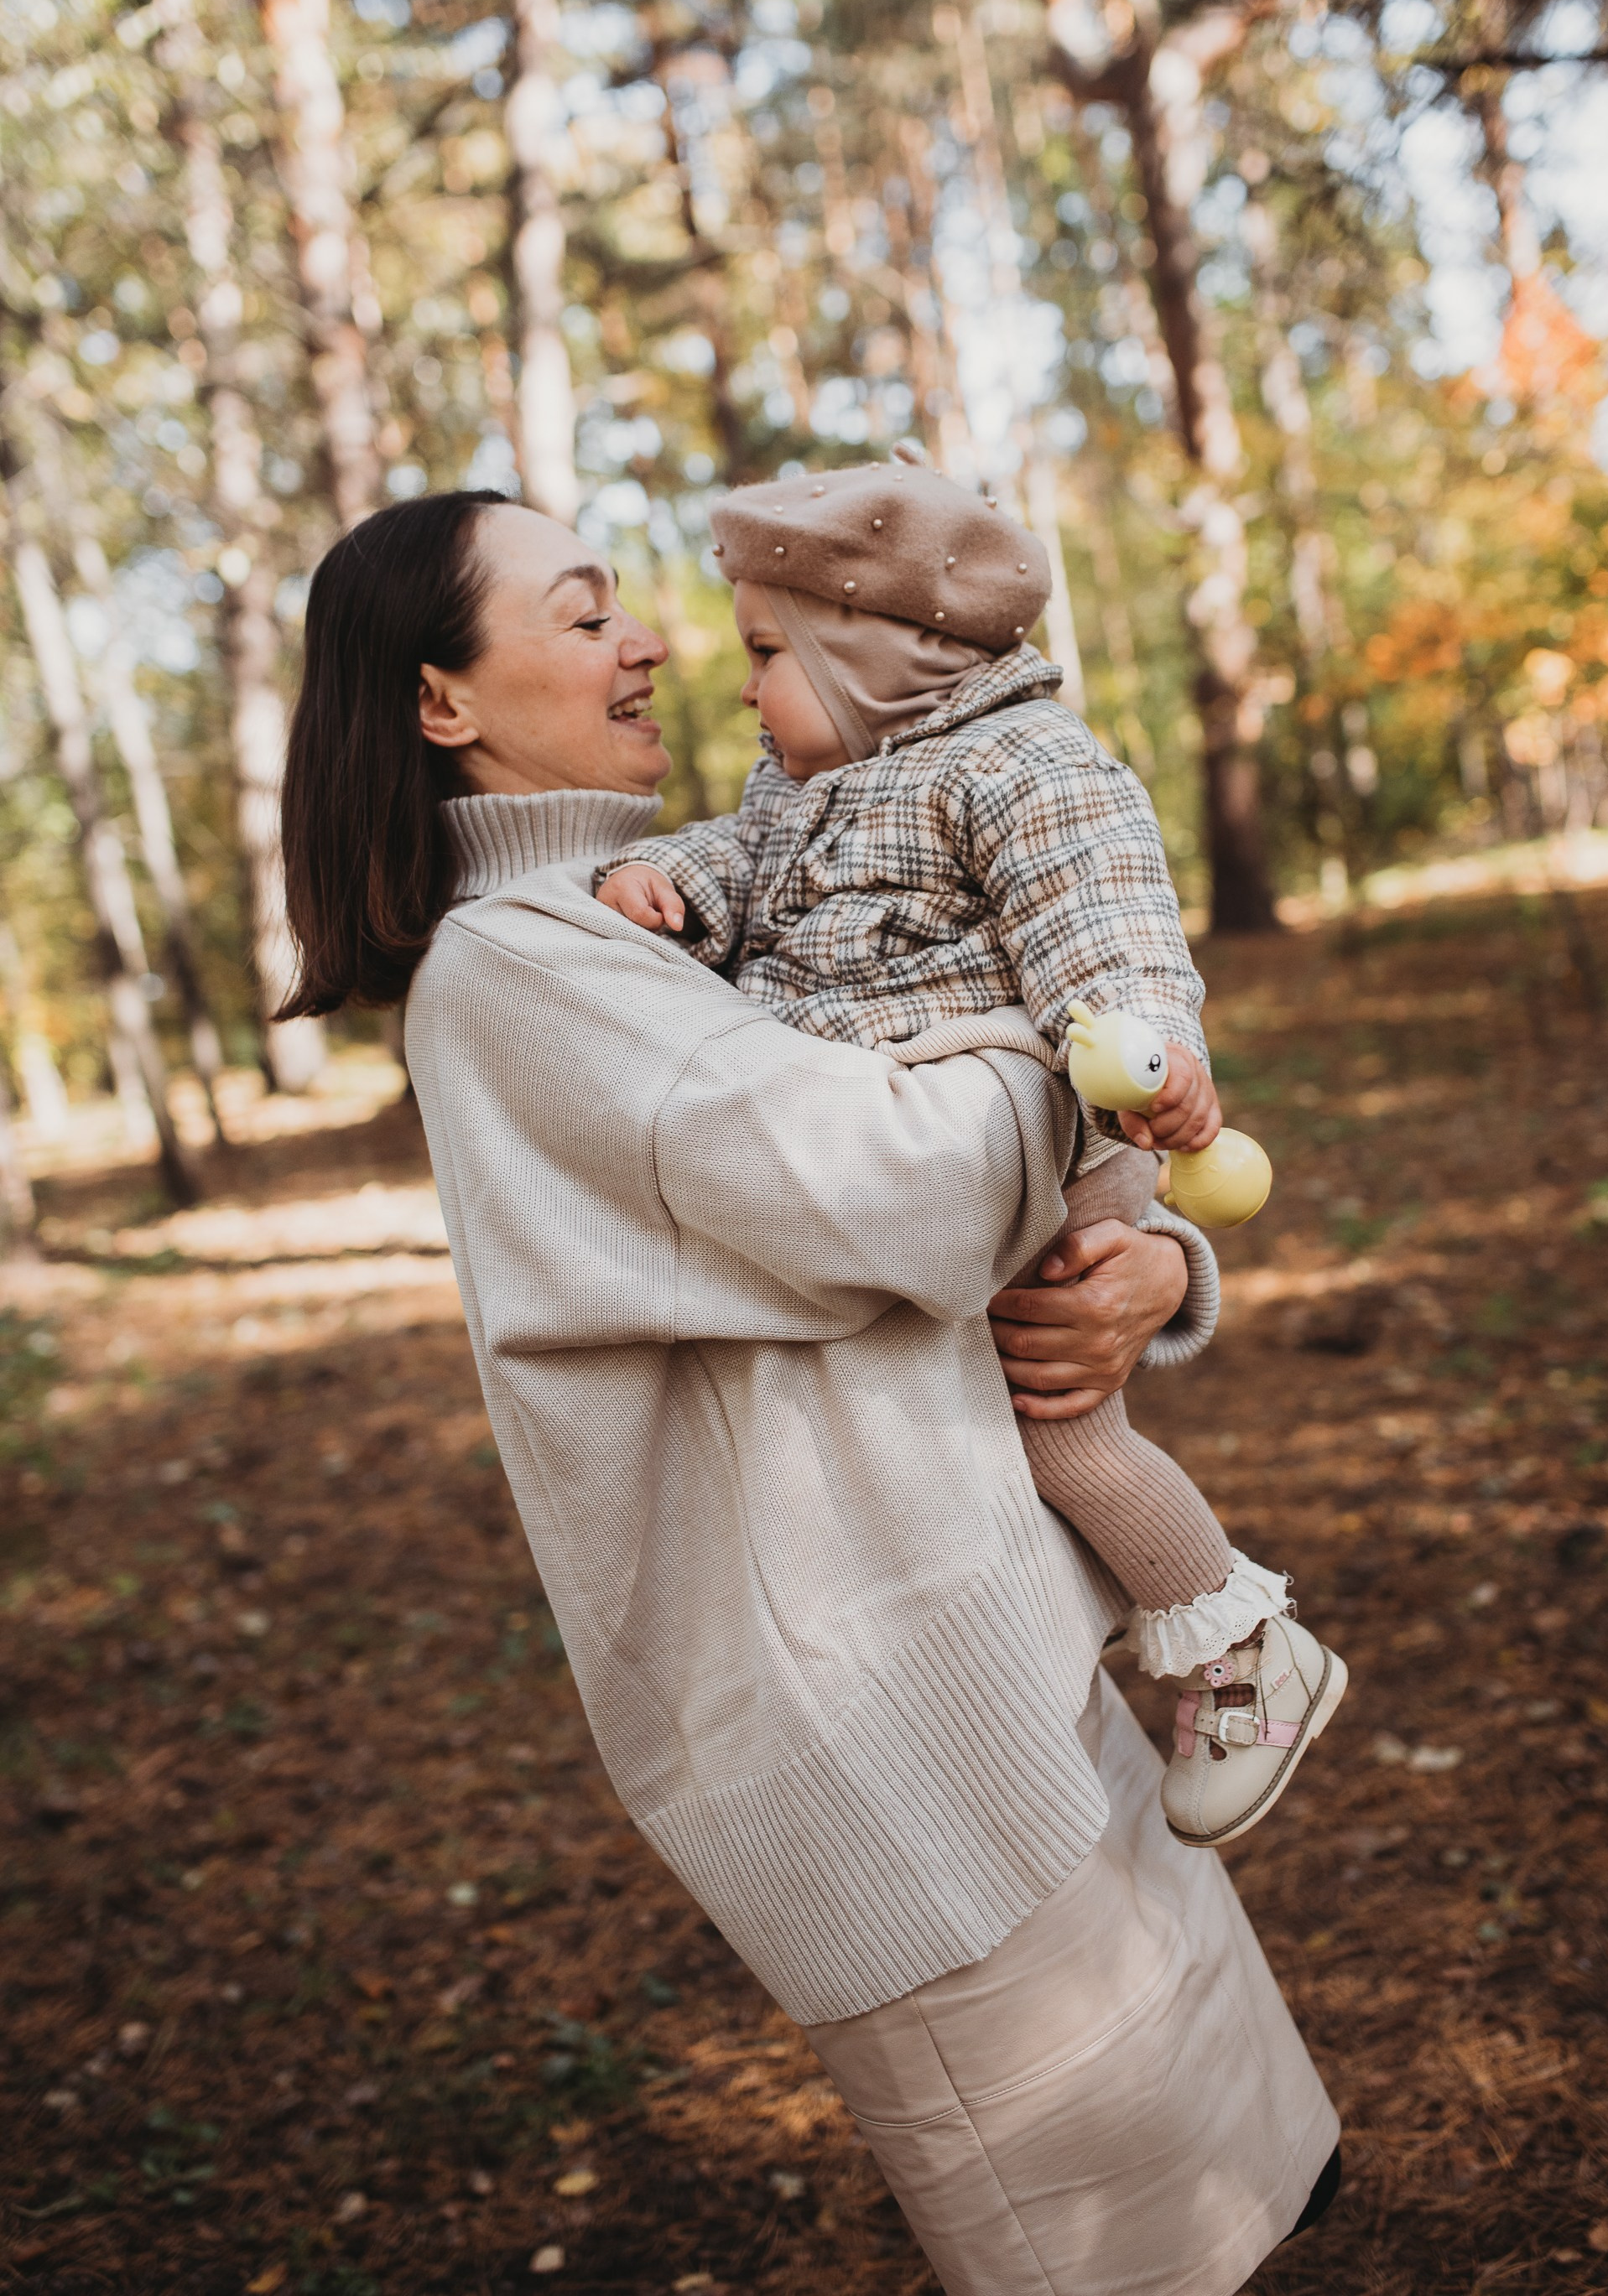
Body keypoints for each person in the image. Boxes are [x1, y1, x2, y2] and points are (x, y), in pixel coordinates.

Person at [278, 487, 1340, 2296]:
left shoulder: (665, 907)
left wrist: (1155, 1268)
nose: (653, 647)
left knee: (1232, 2166)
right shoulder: (524, 969)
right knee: (1105, 2235)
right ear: (443, 701)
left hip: (972, 1621)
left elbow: (925, 1203)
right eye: (585, 611)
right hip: (866, 1704)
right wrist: (1053, 1026)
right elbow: (892, 1187)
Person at [596, 447, 1346, 1849]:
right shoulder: (801, 785)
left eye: (767, 655)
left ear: (875, 651)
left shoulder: (1022, 763)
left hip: (1051, 1153)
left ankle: (1241, 1643)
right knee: (989, 1442)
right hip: (912, 1159)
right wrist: (668, 887)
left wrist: (1146, 1061)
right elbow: (738, 867)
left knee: (1063, 1437)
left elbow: (1103, 922)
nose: (745, 691)